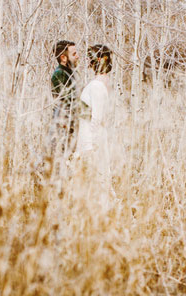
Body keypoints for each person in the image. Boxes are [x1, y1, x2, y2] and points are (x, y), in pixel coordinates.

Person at [75, 45, 113, 207]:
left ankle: (108, 211)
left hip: (92, 140)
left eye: (89, 57)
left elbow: (97, 118)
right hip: (89, 138)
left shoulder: (97, 86)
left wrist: (90, 145)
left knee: (99, 178)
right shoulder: (100, 84)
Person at [50, 40, 79, 160]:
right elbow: (66, 103)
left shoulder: (71, 73)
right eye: (74, 54)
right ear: (63, 57)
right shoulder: (59, 74)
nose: (78, 56)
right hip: (65, 129)